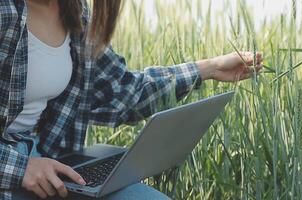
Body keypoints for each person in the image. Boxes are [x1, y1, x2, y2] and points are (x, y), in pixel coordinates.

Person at [0, 0, 263, 199]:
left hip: (46, 164)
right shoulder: (7, 11)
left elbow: (122, 93)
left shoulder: (74, 12)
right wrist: (20, 167)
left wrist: (209, 68)